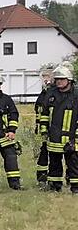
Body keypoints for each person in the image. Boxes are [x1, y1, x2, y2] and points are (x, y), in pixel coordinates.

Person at [44, 64, 78, 193]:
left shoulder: (76, 95)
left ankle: (75, 187)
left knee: (74, 164)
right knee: (54, 163)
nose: (59, 81)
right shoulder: (51, 94)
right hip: (54, 137)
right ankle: (55, 186)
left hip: (72, 137)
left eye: (62, 79)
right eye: (57, 79)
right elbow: (45, 114)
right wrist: (44, 131)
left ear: (69, 80)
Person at [34, 70, 54, 188]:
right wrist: (39, 127)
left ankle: (67, 177)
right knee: (43, 152)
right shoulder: (43, 93)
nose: (46, 80)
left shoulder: (55, 93)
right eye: (44, 78)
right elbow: (39, 111)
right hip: (43, 129)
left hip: (56, 129)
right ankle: (42, 177)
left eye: (48, 77)